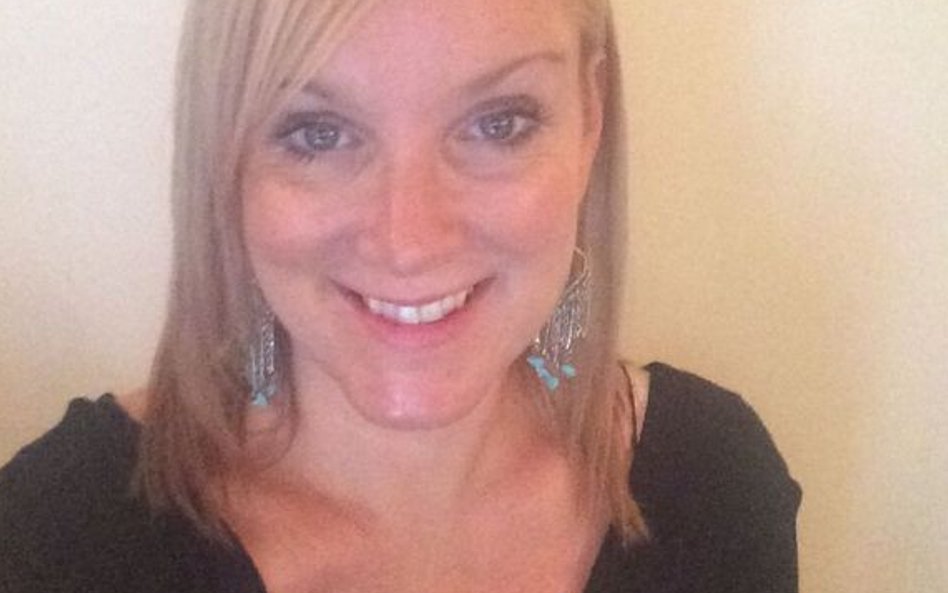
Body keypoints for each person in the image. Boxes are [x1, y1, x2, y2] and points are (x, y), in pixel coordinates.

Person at [0, 0, 801, 591]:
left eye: (498, 123)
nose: (408, 239)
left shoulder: (713, 487)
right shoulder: (62, 536)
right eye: (317, 132)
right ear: (225, 156)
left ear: (589, 119)